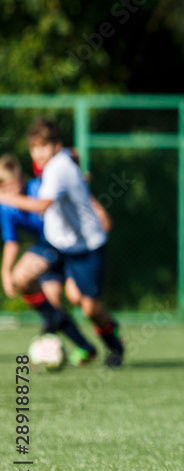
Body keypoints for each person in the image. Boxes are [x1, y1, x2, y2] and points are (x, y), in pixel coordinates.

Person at [0, 120, 125, 367]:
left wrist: (5, 197)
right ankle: (67, 335)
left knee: (86, 305)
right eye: (34, 148)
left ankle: (114, 342)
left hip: (85, 246)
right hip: (56, 243)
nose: (38, 154)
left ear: (55, 146)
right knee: (22, 277)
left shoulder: (57, 169)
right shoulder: (52, 162)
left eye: (44, 147)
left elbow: (41, 205)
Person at [0, 154, 99, 366]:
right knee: (51, 307)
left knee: (77, 298)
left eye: (15, 184)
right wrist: (5, 272)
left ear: (21, 177)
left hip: (69, 246)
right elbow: (11, 242)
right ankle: (86, 347)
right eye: (6, 189)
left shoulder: (38, 188)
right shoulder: (6, 208)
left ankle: (112, 340)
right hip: (48, 252)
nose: (12, 191)